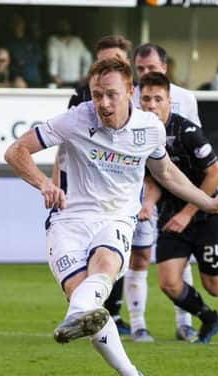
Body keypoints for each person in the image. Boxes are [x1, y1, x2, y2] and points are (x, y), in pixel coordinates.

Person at [4, 56, 218, 376]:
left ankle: (77, 317)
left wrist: (208, 204)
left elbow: (167, 174)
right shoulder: (75, 119)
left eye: (111, 95)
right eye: (97, 95)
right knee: (87, 302)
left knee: (101, 272)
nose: (103, 103)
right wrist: (43, 184)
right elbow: (15, 150)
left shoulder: (150, 129)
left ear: (130, 92)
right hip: (67, 220)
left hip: (115, 220)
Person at [138, 71, 218, 344]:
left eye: (158, 99)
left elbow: (215, 175)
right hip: (171, 217)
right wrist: (147, 204)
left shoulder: (187, 132)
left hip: (206, 216)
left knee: (215, 285)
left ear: (169, 101)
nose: (151, 105)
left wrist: (187, 212)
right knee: (168, 283)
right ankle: (209, 319)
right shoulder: (140, 136)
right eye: (146, 98)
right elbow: (156, 178)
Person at [128, 43, 202, 342]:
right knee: (140, 255)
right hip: (138, 185)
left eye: (151, 68)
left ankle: (184, 322)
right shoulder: (128, 98)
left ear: (164, 67)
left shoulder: (185, 99)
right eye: (141, 69)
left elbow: (195, 146)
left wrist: (191, 197)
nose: (146, 73)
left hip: (173, 186)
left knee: (180, 257)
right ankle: (137, 325)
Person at [61, 35, 134, 335]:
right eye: (102, 59)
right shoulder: (82, 99)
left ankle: (116, 313)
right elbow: (63, 146)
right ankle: (98, 312)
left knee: (125, 253)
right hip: (88, 190)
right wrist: (56, 185)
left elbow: (156, 157)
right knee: (97, 254)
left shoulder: (139, 99)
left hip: (125, 190)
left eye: (115, 57)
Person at [46, 19, 92, 88]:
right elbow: (52, 59)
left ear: (70, 27)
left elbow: (88, 58)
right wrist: (54, 76)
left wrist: (84, 75)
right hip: (59, 82)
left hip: (76, 82)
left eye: (66, 25)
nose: (64, 27)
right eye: (61, 25)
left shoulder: (77, 41)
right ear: (57, 27)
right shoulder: (53, 40)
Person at [5, 14, 44, 88]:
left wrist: (24, 60)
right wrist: (16, 76)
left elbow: (40, 58)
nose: (17, 26)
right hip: (17, 80)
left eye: (20, 23)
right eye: (15, 23)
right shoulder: (8, 43)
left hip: (34, 78)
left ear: (24, 25)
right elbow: (7, 63)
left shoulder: (31, 41)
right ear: (11, 26)